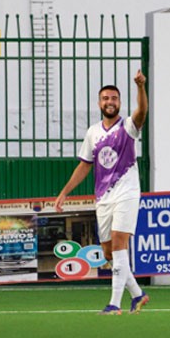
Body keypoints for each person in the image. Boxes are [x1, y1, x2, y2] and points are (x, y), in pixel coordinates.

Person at [54, 70, 149, 315]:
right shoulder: (93, 132)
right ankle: (138, 294)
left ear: (119, 102)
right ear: (99, 103)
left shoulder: (128, 126)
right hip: (103, 198)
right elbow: (85, 164)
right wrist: (64, 192)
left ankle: (114, 304)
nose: (110, 102)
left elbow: (142, 113)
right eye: (106, 98)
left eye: (114, 98)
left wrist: (140, 87)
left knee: (119, 245)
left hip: (126, 193)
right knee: (108, 252)